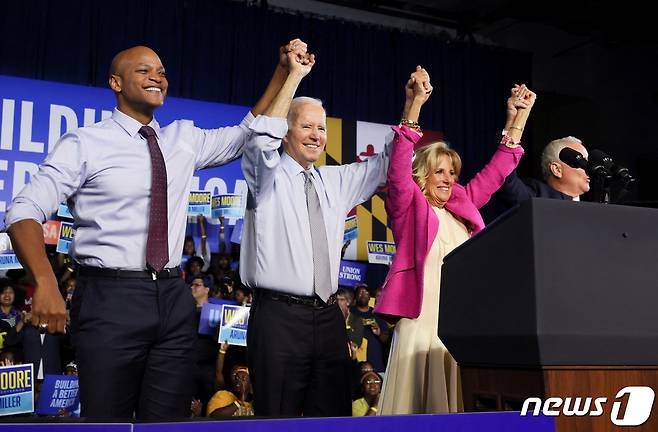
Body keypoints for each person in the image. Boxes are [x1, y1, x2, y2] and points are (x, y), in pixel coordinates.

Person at [4, 40, 311, 419]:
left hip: (172, 297)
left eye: (162, 72)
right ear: (115, 83)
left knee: (167, 421)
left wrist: (283, 71)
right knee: (107, 421)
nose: (157, 78)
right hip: (109, 298)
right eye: (144, 71)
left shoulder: (182, 138)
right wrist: (46, 283)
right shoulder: (85, 144)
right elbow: (23, 211)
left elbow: (247, 132)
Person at [240, 54, 398, 417]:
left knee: (331, 416)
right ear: (286, 131)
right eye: (307, 127)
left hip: (328, 319)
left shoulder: (335, 181)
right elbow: (262, 140)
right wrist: (293, 77)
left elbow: (388, 163)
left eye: (322, 128)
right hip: (278, 318)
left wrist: (412, 106)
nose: (316, 135)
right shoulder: (264, 176)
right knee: (277, 417)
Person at [375, 68, 535, 414]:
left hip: (456, 322)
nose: (448, 179)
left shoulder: (461, 207)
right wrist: (414, 105)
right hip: (420, 319)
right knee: (415, 406)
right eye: (440, 171)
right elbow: (400, 165)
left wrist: (516, 121)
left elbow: (495, 174)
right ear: (423, 175)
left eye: (452, 172)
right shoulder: (408, 205)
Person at [497, 87, 589, 204]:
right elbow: (505, 177)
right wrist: (513, 122)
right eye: (581, 161)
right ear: (556, 169)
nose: (588, 168)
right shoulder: (535, 197)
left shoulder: (596, 207)